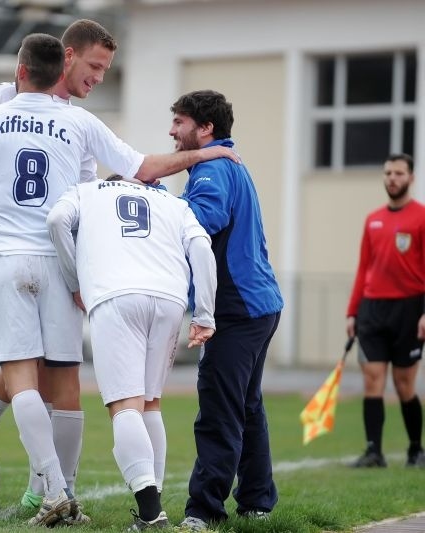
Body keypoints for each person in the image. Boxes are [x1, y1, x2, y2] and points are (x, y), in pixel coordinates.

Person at [0, 33, 236, 527]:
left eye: (105, 70)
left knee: (44, 382)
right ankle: (36, 487)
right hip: (56, 258)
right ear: (64, 60)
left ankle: (44, 488)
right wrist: (204, 154)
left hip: (29, 255)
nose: (98, 77)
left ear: (25, 69)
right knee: (34, 380)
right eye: (93, 66)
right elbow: (141, 168)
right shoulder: (62, 117)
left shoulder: (8, 116)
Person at [46, 174, 217, 530]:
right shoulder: (172, 202)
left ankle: (152, 514)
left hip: (116, 295)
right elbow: (202, 247)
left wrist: (75, 280)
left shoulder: (87, 190)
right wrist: (204, 312)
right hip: (169, 298)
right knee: (150, 402)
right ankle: (152, 510)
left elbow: (57, 220)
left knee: (125, 405)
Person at [169, 90, 284, 531]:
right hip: (258, 304)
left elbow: (202, 221)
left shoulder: (212, 167)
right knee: (246, 406)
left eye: (179, 122)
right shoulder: (227, 162)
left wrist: (154, 203)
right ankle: (256, 501)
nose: (172, 132)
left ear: (205, 128)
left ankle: (204, 511)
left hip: (237, 309)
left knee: (219, 407)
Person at [346, 153, 425, 468]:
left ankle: (416, 450)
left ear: (410, 178)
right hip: (372, 309)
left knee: (404, 385)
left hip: (410, 309)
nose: (392, 178)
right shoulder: (373, 219)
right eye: (388, 173)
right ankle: (373, 452)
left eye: (398, 173)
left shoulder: (421, 217)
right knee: (372, 380)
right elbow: (363, 267)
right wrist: (353, 312)